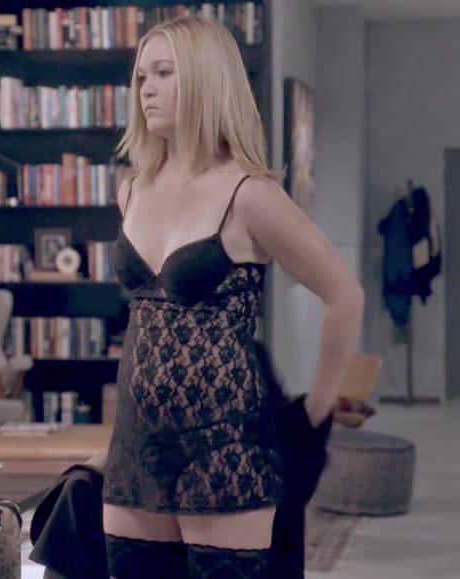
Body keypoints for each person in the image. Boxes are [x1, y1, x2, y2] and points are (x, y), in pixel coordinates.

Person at [101, 15, 364, 578]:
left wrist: (316, 411)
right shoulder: (131, 189)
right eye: (141, 76)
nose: (146, 89)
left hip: (226, 447)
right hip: (136, 443)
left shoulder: (249, 193)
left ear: (205, 79)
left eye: (164, 73)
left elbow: (345, 294)